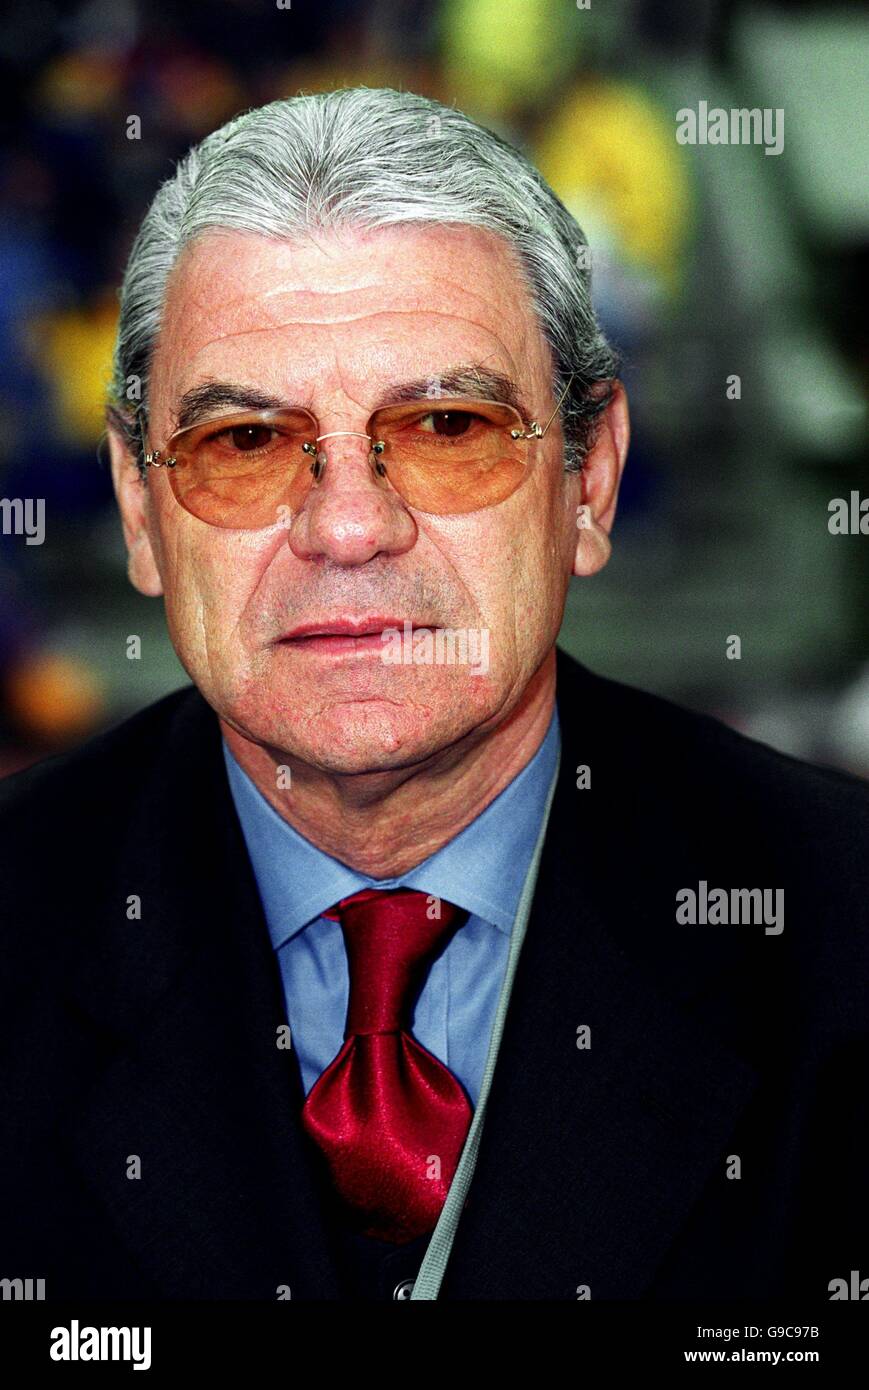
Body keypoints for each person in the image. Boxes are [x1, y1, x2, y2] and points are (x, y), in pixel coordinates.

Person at [1, 87, 866, 1304]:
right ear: (141, 510)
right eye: (244, 442)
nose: (348, 525)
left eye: (448, 425)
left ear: (590, 480)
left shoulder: (841, 930)